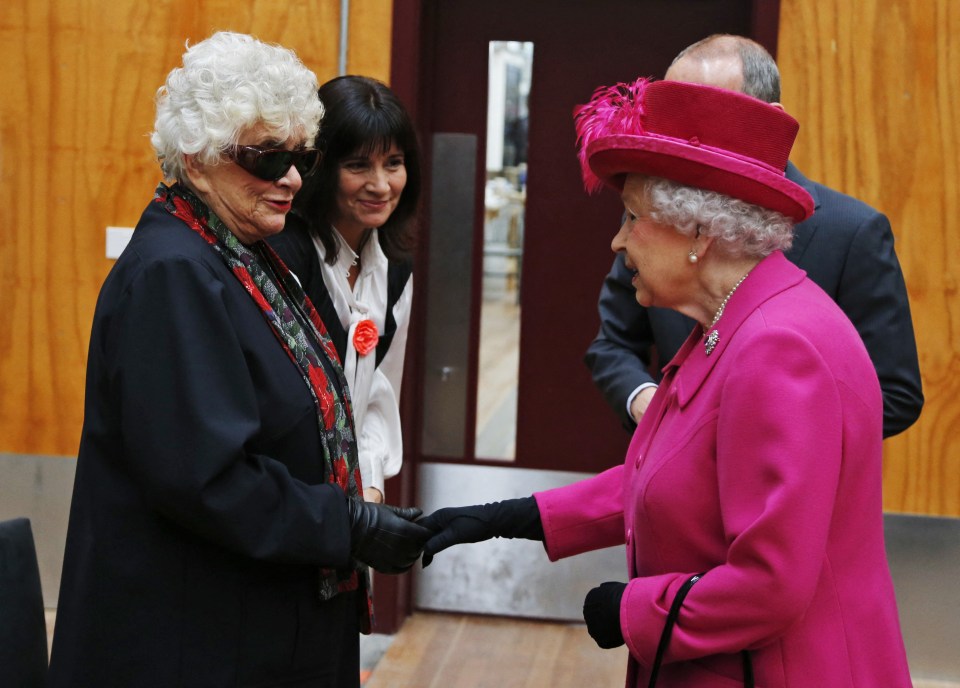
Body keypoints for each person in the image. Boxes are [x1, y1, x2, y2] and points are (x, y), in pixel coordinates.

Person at [419, 77, 912, 686]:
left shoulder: (779, 348)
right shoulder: (735, 321)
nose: (618, 239)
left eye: (633, 217)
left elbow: (771, 585)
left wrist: (631, 611)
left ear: (700, 235)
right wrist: (511, 515)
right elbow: (672, 477)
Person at [47, 32, 430, 688]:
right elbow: (206, 479)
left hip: (252, 625)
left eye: (299, 157)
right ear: (197, 157)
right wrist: (349, 523)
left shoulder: (245, 248)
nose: (290, 179)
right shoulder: (173, 271)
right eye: (265, 158)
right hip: (190, 640)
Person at [585, 34, 923, 437]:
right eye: (675, 116)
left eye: (709, 113)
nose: (686, 139)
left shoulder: (852, 231)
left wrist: (745, 432)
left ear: (771, 118)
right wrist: (649, 404)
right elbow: (613, 343)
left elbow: (894, 393)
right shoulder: (658, 220)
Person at [269, 75, 420, 505]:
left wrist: (369, 485)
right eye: (358, 165)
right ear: (321, 166)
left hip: (349, 501)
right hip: (289, 497)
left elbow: (378, 392)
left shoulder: (396, 267)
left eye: (393, 163)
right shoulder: (283, 255)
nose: (381, 184)